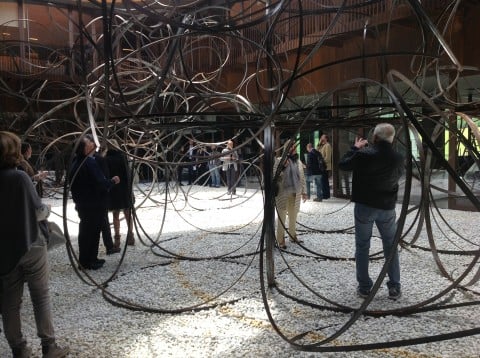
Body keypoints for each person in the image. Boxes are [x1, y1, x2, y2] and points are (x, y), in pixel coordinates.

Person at [0, 131, 69, 358]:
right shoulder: (19, 178)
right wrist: (48, 210)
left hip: (4, 249)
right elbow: (39, 211)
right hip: (30, 243)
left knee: (9, 303)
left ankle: (19, 349)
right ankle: (49, 346)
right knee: (40, 295)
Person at [338, 123, 403, 300]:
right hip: (387, 207)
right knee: (390, 246)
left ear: (374, 137)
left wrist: (355, 148)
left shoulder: (364, 154)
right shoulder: (398, 157)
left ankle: (365, 287)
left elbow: (343, 164)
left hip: (365, 206)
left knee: (362, 246)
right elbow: (397, 177)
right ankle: (394, 286)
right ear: (392, 138)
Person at [69, 134, 120, 270]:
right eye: (89, 143)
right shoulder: (88, 162)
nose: (93, 144)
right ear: (84, 149)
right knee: (91, 232)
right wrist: (112, 181)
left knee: (86, 231)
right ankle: (89, 261)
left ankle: (86, 260)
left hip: (83, 204)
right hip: (93, 204)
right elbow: (101, 183)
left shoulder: (76, 162)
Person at [274, 142, 307, 249]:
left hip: (295, 194)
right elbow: (274, 177)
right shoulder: (279, 160)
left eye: (294, 147)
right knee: (281, 218)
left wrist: (304, 192)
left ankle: (293, 236)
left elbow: (302, 178)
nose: (294, 149)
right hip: (282, 194)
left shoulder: (298, 161)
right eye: (291, 147)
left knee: (293, 216)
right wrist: (283, 168)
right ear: (286, 148)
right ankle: (280, 239)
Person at [105, 140, 135, 247]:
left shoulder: (106, 159)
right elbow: (128, 174)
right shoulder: (123, 157)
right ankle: (131, 237)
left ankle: (117, 240)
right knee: (128, 213)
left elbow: (106, 175)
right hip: (125, 189)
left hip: (113, 190)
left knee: (115, 214)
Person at [94, 147, 121, 255]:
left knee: (93, 226)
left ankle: (93, 254)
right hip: (102, 197)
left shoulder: (82, 159)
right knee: (104, 223)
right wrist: (112, 182)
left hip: (89, 200)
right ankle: (110, 246)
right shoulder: (99, 160)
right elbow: (104, 179)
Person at [318, 134, 332, 199]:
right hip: (321, 166)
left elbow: (328, 158)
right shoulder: (322, 146)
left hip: (325, 167)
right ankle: (325, 194)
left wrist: (321, 162)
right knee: (323, 181)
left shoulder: (328, 145)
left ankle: (326, 195)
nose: (321, 138)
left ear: (326, 138)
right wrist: (319, 143)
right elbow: (316, 151)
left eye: (322, 137)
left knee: (324, 181)